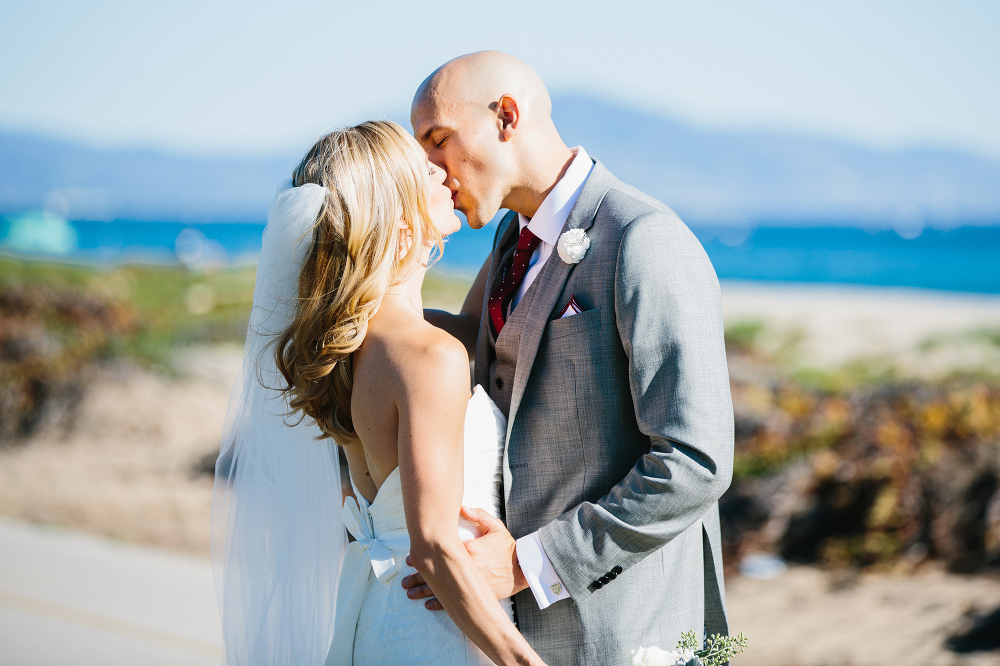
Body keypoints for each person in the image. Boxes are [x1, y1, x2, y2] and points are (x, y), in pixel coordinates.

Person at [404, 51, 735, 665]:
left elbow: (696, 460)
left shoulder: (643, 238)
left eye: (439, 138)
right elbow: (474, 353)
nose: (429, 165)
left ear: (507, 116)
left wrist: (530, 564)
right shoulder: (514, 236)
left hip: (627, 632)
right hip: (514, 635)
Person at [212, 121, 545, 665]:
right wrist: (523, 661)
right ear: (397, 210)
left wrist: (525, 212)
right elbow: (434, 549)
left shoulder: (351, 343)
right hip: (444, 633)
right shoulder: (427, 357)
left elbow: (471, 319)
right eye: (423, 170)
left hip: (377, 621)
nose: (444, 173)